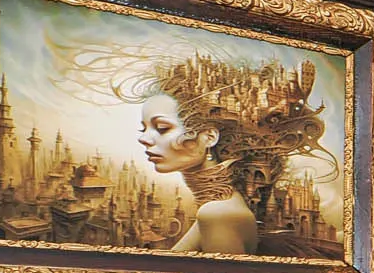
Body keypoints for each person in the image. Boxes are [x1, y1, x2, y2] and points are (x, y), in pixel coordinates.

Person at [132, 54, 332, 255]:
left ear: (210, 137)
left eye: (162, 128)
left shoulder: (218, 214)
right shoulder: (213, 209)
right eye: (144, 129)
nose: (145, 139)